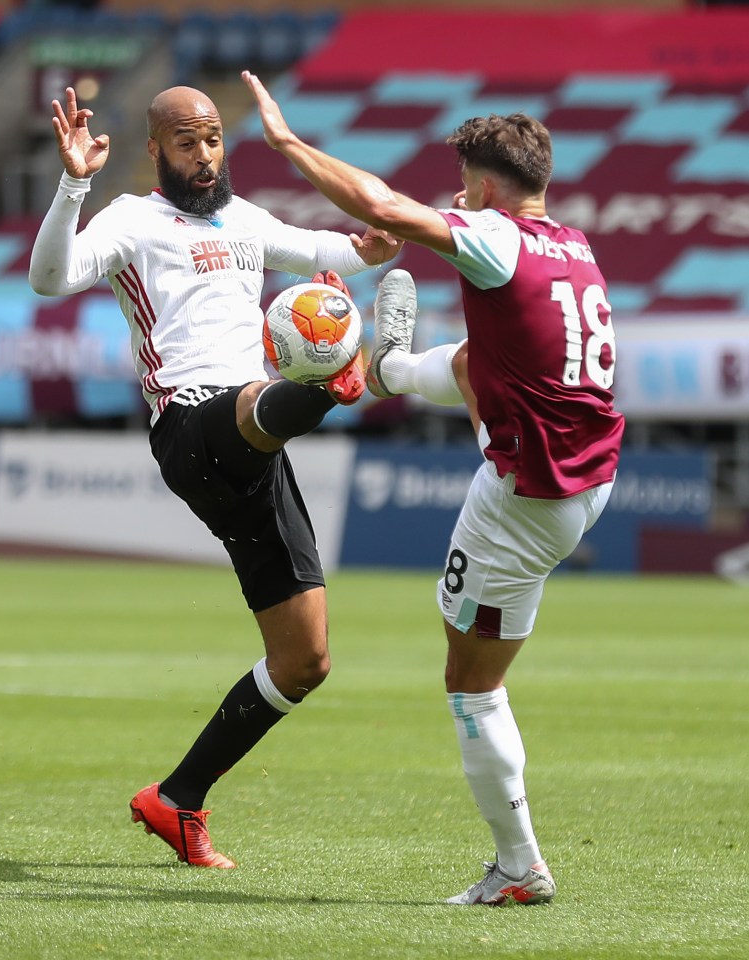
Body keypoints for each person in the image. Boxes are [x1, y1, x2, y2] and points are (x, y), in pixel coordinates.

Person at [243, 71, 624, 904]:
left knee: (470, 683)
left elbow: (381, 207)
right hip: (589, 471)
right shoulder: (574, 244)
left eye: (463, 184)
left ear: (487, 189)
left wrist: (287, 145)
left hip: (527, 497)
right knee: (470, 362)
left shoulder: (494, 238)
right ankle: (385, 370)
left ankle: (519, 867)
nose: (456, 196)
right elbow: (486, 361)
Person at [29, 85, 401, 868]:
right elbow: (50, 279)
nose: (204, 157)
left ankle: (177, 798)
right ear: (156, 151)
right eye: (187, 144)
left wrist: (373, 247)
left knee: (304, 661)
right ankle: (327, 388)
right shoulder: (132, 219)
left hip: (253, 442)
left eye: (212, 141)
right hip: (191, 426)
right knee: (263, 398)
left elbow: (329, 251)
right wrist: (72, 184)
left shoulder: (247, 222)